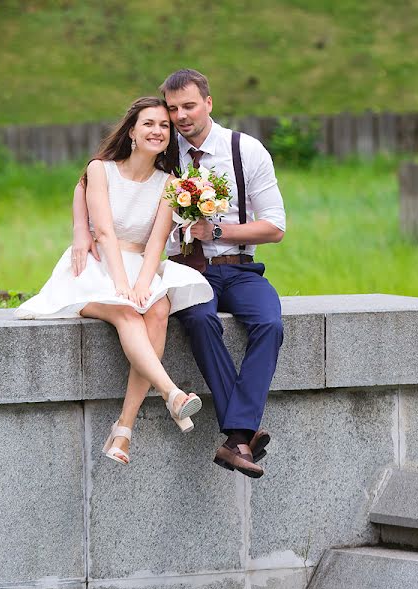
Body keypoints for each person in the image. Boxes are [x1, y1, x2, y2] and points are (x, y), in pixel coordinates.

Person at [70, 69, 286, 478]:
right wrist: (83, 230)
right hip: (185, 270)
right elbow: (98, 176)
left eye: (189, 106)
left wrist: (217, 230)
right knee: (201, 321)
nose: (181, 117)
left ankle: (236, 437)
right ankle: (241, 437)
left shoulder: (247, 150)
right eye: (173, 110)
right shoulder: (165, 151)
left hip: (239, 269)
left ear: (208, 102)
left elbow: (275, 226)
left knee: (270, 323)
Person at [16, 97, 214, 466]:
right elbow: (104, 233)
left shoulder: (171, 184)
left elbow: (157, 241)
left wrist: (142, 282)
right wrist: (122, 285)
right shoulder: (101, 170)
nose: (158, 131)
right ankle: (171, 394)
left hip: (141, 264)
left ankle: (123, 429)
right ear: (132, 133)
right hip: (97, 267)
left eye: (164, 126)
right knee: (126, 312)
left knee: (157, 309)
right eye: (149, 124)